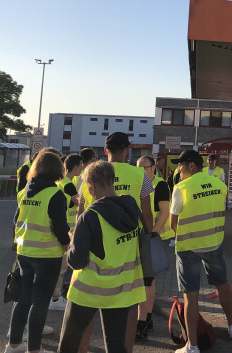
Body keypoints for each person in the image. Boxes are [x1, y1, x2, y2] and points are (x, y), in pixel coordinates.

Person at [76, 132, 154, 350]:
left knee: (85, 311)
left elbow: (80, 212)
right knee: (127, 311)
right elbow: (147, 215)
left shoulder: (89, 174)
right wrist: (147, 241)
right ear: (127, 150)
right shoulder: (140, 175)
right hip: (127, 255)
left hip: (93, 253)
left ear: (106, 149)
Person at [58, 160, 146, 353]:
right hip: (121, 291)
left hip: (88, 291)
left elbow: (76, 261)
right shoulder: (132, 209)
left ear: (92, 185)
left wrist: (73, 241)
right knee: (116, 346)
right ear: (112, 181)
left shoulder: (89, 217)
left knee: (68, 344)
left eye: (88, 187)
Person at [170, 149, 232, 353]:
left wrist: (185, 235)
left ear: (191, 166)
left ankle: (192, 346)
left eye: (180, 165)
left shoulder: (181, 187)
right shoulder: (220, 185)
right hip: (214, 243)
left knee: (191, 296)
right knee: (222, 283)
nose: (178, 168)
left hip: (188, 248)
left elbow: (173, 223)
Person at [5, 152, 70, 353]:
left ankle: (13, 345)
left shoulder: (25, 191)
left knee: (23, 300)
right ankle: (34, 349)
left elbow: (16, 221)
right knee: (40, 303)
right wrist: (69, 242)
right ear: (58, 169)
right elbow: (60, 227)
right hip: (48, 256)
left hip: (25, 254)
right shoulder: (55, 194)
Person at [134, 155, 173, 340]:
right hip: (140, 238)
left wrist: (152, 236)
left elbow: (165, 213)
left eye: (145, 167)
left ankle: (144, 321)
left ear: (153, 167)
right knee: (146, 281)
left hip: (151, 239)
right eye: (138, 167)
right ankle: (146, 318)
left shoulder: (160, 185)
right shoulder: (137, 183)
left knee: (147, 281)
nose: (141, 171)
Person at [49, 154, 84, 312]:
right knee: (62, 268)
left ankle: (54, 296)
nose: (82, 168)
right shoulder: (68, 185)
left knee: (58, 266)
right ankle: (55, 298)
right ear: (75, 167)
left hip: (59, 228)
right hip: (66, 230)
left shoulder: (59, 181)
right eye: (81, 165)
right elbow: (80, 202)